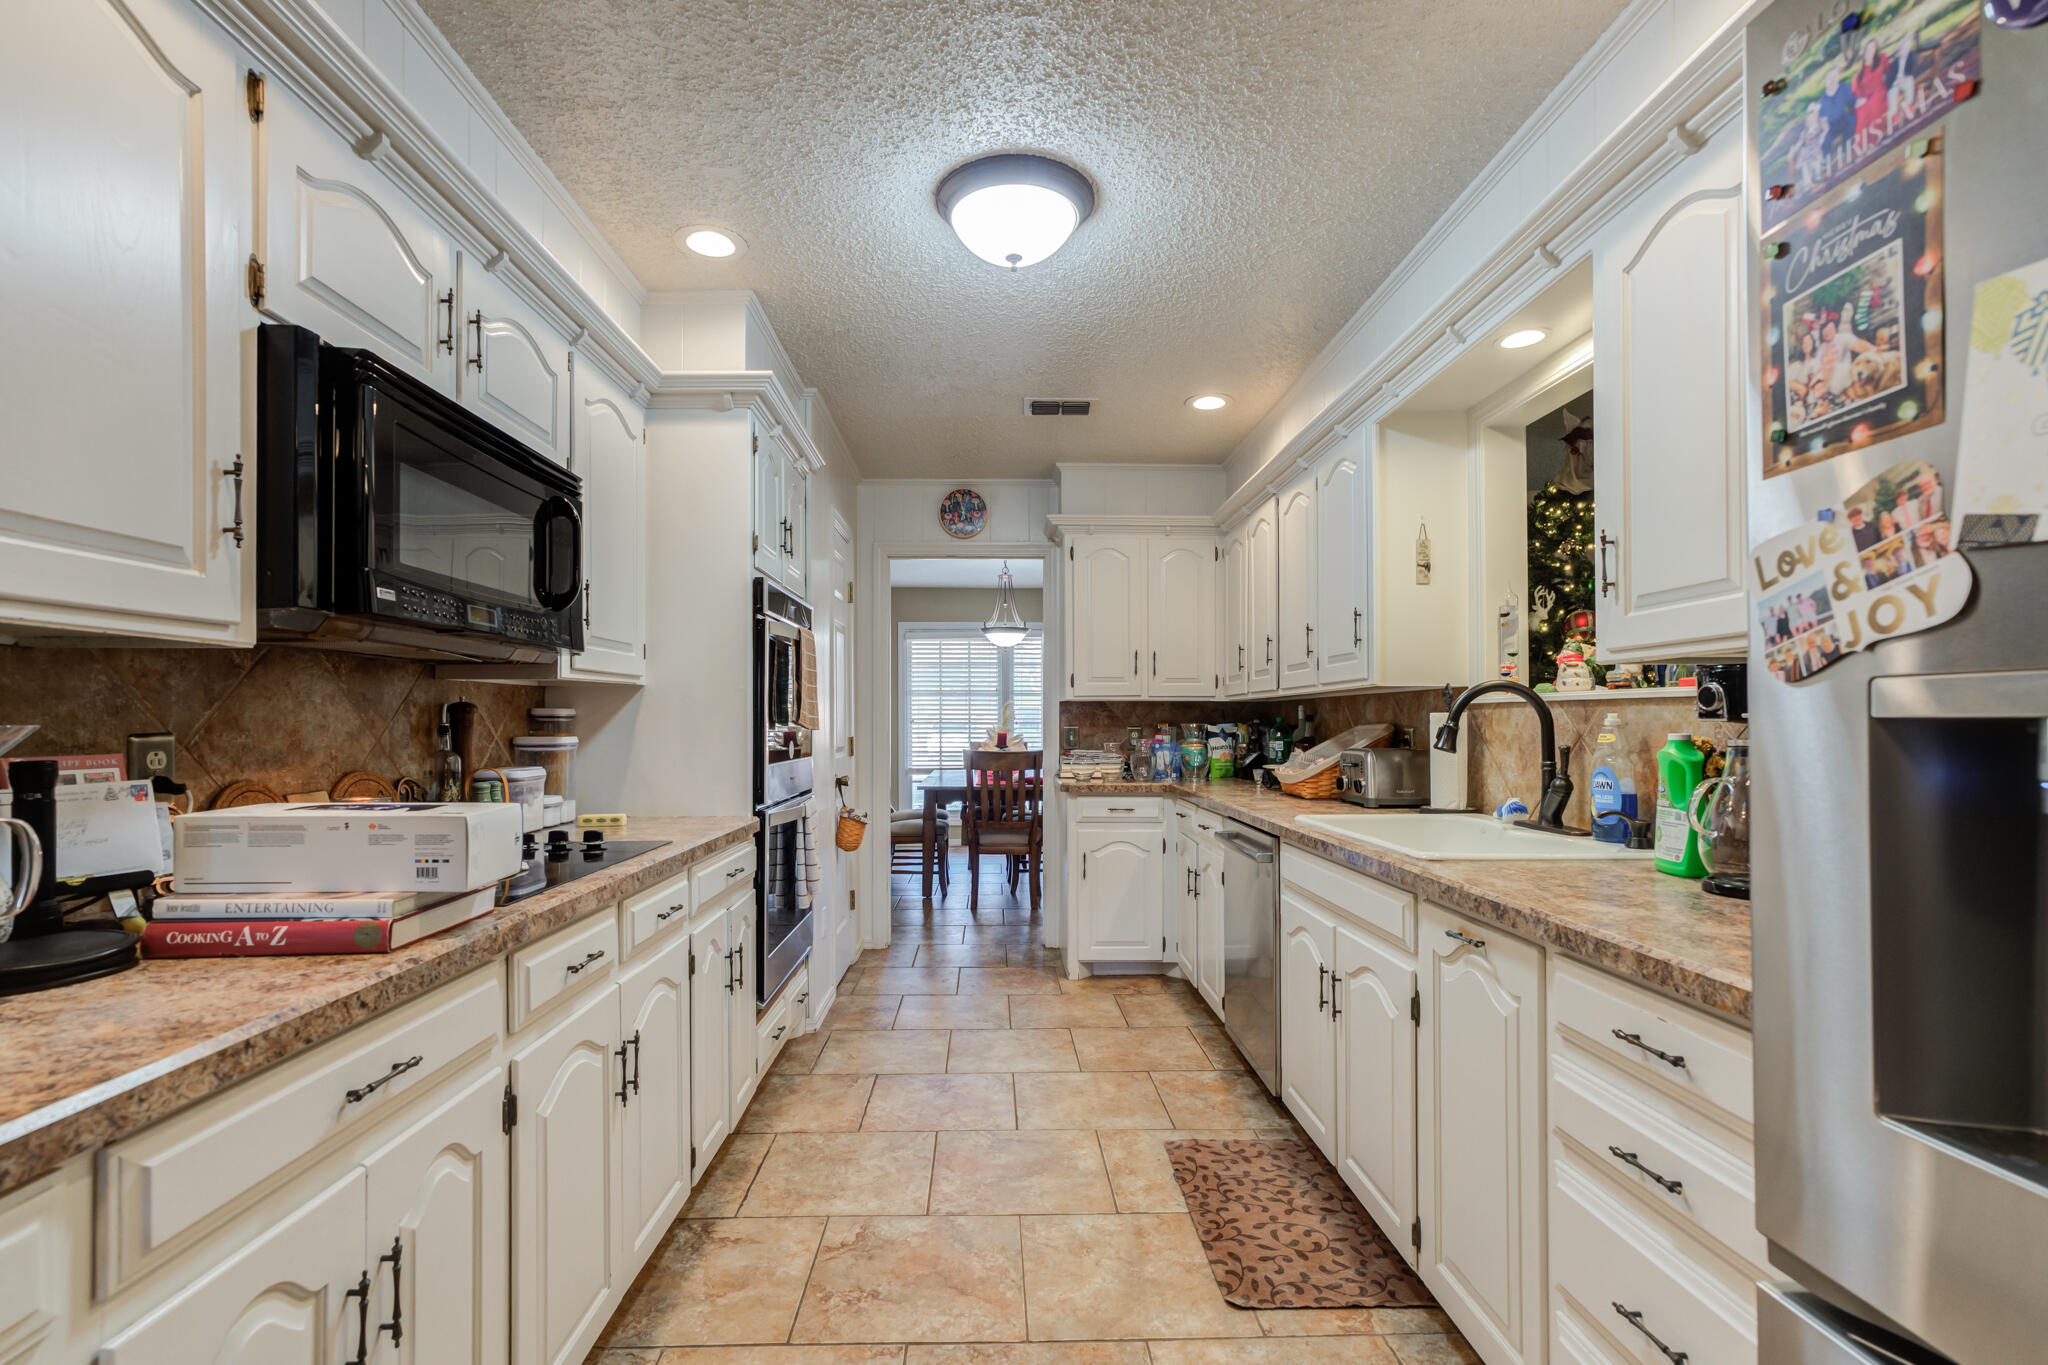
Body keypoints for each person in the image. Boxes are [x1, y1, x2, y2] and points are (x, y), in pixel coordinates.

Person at [1852, 37, 1891, 144]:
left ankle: (1874, 138)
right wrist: (1860, 99)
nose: (1870, 50)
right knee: (1861, 111)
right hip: (1866, 98)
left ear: (1875, 50)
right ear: (1865, 51)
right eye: (1868, 48)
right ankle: (1862, 144)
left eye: (1873, 48)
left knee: (1873, 105)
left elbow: (1888, 71)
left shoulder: (1881, 59)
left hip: (1880, 91)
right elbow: (1857, 90)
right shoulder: (1861, 70)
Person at [1819, 64, 1858, 161]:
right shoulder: (1823, 100)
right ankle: (1827, 161)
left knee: (1852, 120)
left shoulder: (1843, 88)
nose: (1833, 80)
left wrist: (1859, 101)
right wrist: (1825, 130)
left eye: (1835, 77)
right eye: (1830, 78)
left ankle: (1846, 150)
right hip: (1831, 125)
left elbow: (1852, 101)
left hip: (1842, 118)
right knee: (1826, 140)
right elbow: (1823, 119)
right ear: (1827, 80)